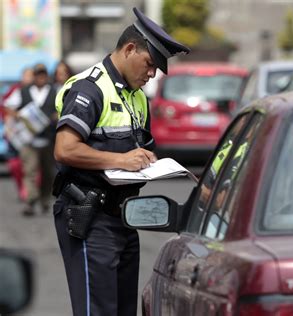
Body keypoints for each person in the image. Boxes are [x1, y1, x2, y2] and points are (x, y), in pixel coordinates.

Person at [52, 7, 190, 316]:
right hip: (90, 215)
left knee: (125, 309)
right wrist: (120, 159)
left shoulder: (137, 96)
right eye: (150, 64)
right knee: (97, 310)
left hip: (125, 218)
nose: (152, 74)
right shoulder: (89, 88)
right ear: (129, 49)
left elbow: (141, 150)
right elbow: (64, 149)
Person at [4, 63, 57, 216]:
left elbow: (62, 109)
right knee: (30, 171)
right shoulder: (23, 91)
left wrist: (55, 117)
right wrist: (20, 116)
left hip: (48, 139)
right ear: (34, 76)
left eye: (43, 74)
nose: (40, 77)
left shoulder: (54, 91)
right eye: (38, 74)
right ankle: (30, 201)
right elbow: (8, 107)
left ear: (46, 76)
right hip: (28, 140)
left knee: (48, 173)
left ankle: (44, 200)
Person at [1, 67, 34, 202]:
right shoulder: (16, 90)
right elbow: (6, 109)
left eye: (30, 75)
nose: (28, 78)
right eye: (26, 75)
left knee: (32, 166)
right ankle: (22, 187)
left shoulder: (42, 91)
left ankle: (31, 191)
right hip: (16, 134)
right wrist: (9, 127)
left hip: (33, 135)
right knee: (15, 164)